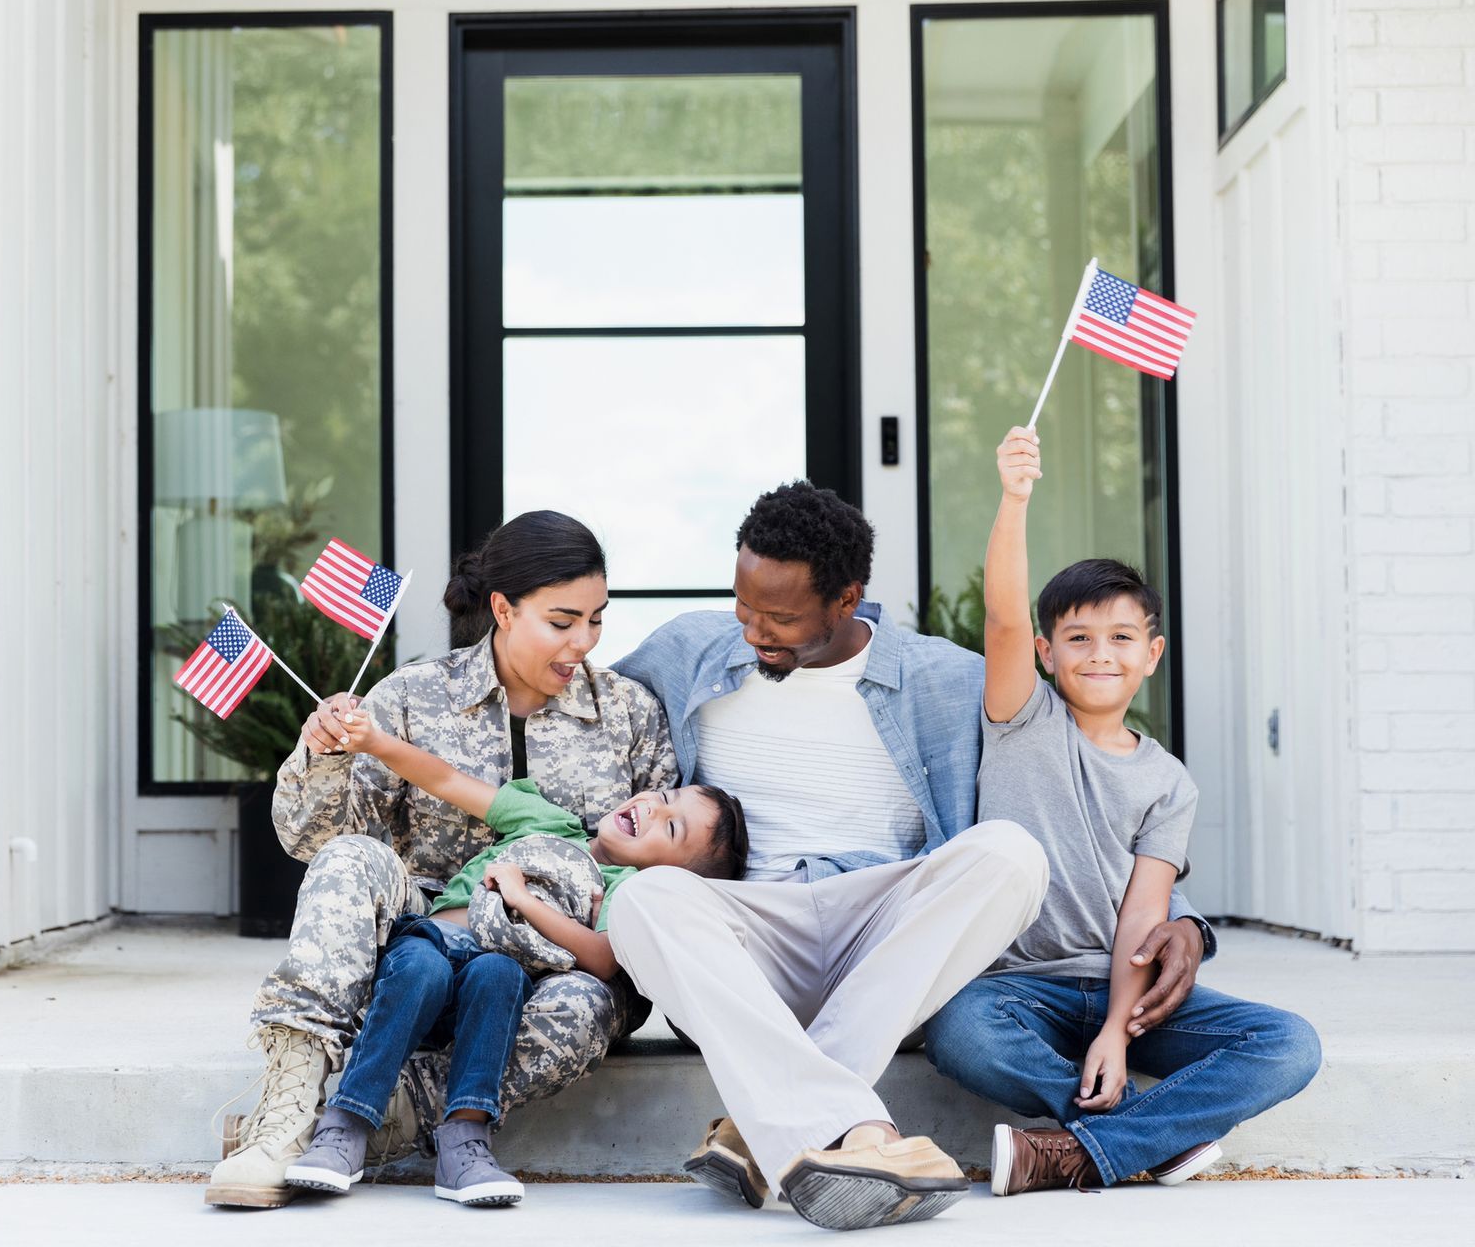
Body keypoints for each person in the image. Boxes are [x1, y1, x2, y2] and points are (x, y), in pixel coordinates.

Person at [607, 481, 1218, 1231]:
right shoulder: (687, 650)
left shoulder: (948, 681)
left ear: (847, 598)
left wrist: (1181, 917)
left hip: (886, 946)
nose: (754, 630)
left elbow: (1076, 798)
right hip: (748, 942)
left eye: (782, 617)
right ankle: (860, 1130)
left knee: (1009, 853)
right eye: (744, 606)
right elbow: (586, 737)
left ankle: (768, 1131)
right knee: (642, 900)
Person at [206, 511, 678, 1210]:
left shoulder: (630, 714)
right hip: (416, 952)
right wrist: (323, 754)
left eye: (597, 621)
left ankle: (392, 1115)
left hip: (552, 969)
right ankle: (288, 1110)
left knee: (584, 1008)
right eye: (562, 621)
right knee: (349, 862)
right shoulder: (410, 696)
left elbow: (660, 870)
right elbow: (318, 841)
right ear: (503, 609)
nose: (584, 642)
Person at [920, 427, 1323, 1196]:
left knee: (1288, 1044)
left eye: (1119, 637)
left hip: (1122, 995)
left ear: (1152, 653)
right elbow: (1003, 617)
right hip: (1015, 988)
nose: (1099, 652)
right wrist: (1014, 498)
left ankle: (1072, 1153)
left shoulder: (1167, 782)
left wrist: (1113, 1028)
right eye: (1077, 637)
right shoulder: (1020, 720)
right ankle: (1146, 1138)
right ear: (1046, 653)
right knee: (958, 1031)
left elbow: (1144, 916)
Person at [283, 707, 748, 1205]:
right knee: (421, 967)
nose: (654, 810)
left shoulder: (627, 889)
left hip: (494, 985)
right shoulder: (549, 820)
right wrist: (375, 742)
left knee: (498, 975)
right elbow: (447, 780)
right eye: (666, 797)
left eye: (672, 830)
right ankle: (346, 1123)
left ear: (670, 874)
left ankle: (465, 1142)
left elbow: (603, 961)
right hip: (432, 945)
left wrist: (522, 898)